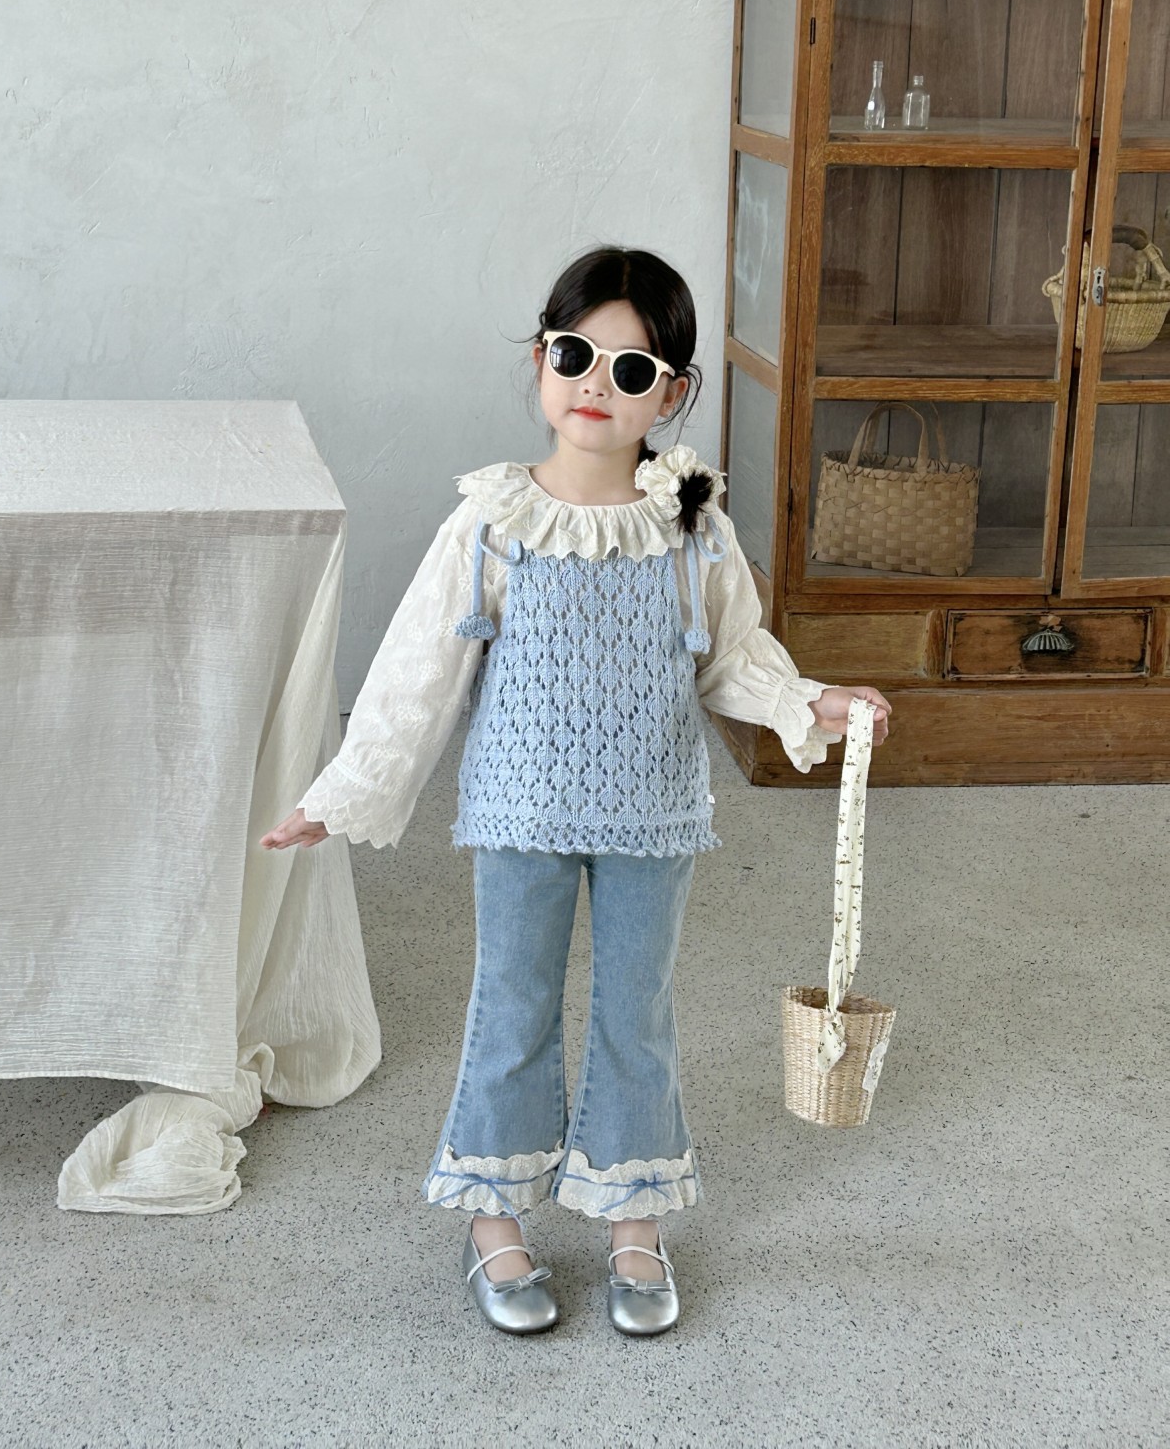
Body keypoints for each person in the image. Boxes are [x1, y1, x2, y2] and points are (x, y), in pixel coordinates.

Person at [261, 246, 891, 1337]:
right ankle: (493, 1214)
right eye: (574, 356)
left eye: (631, 370)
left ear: (672, 394)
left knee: (636, 1013)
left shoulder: (693, 526)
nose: (597, 384)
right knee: (513, 1005)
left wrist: (813, 701)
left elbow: (732, 657)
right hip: (521, 812)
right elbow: (418, 672)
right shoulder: (494, 522)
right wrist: (346, 789)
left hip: (653, 810)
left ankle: (633, 1212)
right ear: (541, 363)